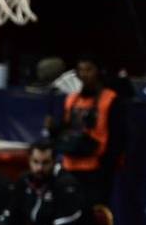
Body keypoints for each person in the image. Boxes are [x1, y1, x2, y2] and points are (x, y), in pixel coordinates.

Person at [45, 54, 123, 207]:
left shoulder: (110, 99)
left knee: (95, 215)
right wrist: (53, 129)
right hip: (70, 166)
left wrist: (106, 166)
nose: (84, 74)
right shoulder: (71, 99)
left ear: (98, 71)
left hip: (96, 170)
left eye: (89, 69)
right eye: (80, 70)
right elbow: (65, 131)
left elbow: (119, 137)